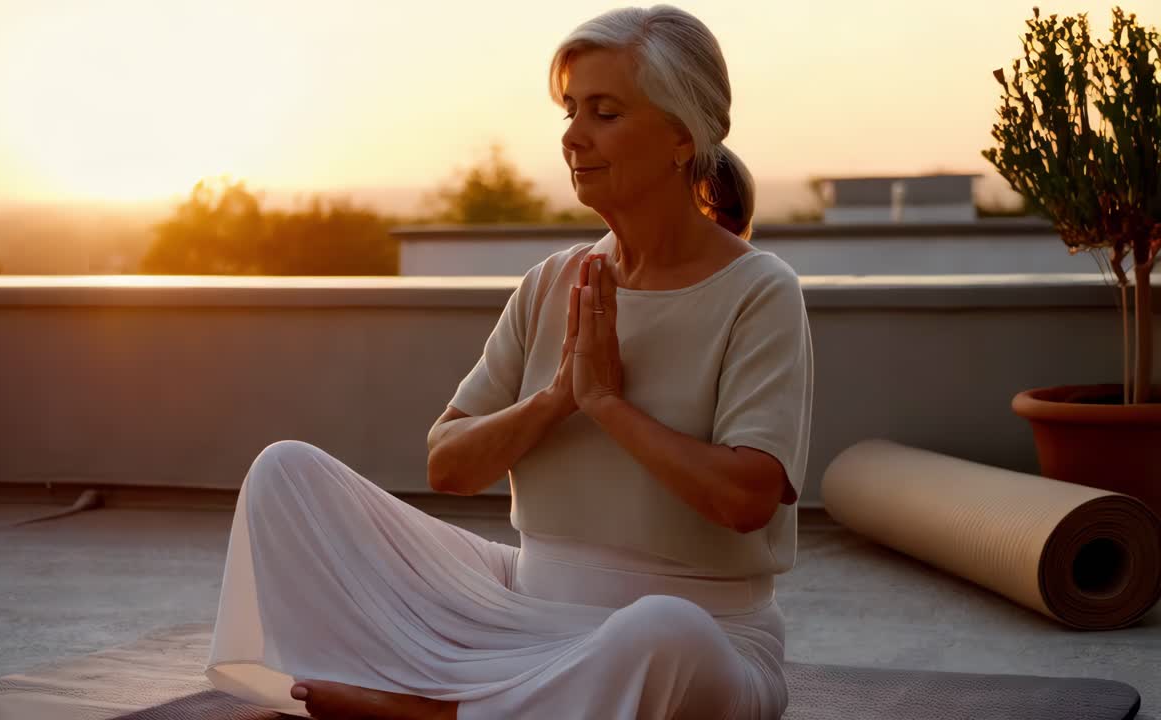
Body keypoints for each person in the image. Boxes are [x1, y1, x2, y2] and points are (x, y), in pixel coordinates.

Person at [204, 5, 814, 719]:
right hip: (522, 611)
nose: (574, 137)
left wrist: (610, 406)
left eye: (605, 112)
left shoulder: (759, 291)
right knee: (288, 474)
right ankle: (494, 695)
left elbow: (746, 500)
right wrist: (556, 399)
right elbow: (449, 465)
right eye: (570, 110)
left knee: (661, 633)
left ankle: (433, 713)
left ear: (682, 135)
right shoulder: (553, 282)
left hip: (704, 640)